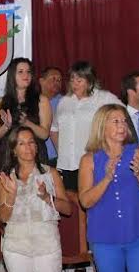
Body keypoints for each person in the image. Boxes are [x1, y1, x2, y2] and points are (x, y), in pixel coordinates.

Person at [78, 104, 139, 272]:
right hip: (105, 238)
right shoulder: (89, 160)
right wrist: (106, 178)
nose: (122, 126)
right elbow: (85, 201)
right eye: (116, 121)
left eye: (124, 121)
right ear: (102, 126)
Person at [0, 127, 71, 272]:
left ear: (37, 147)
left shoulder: (50, 173)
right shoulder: (6, 177)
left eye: (31, 142)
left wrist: (47, 197)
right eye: (22, 143)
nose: (28, 147)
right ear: (14, 150)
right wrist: (11, 196)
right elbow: (2, 217)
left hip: (47, 245)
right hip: (16, 246)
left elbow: (68, 209)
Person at [51, 61, 123, 190]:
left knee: (92, 198)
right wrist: (61, 150)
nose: (75, 83)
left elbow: (124, 118)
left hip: (93, 163)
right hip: (67, 165)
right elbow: (54, 129)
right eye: (72, 79)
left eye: (79, 80)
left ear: (90, 80)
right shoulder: (64, 102)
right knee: (70, 199)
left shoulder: (104, 98)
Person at [0, 58, 52, 166]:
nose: (26, 75)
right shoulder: (1, 102)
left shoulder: (42, 100)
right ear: (12, 75)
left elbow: (45, 134)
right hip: (9, 157)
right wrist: (6, 126)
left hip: (34, 156)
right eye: (20, 72)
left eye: (28, 72)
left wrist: (27, 123)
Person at [39, 67, 63, 167]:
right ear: (41, 81)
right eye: (53, 79)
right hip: (37, 157)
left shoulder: (65, 102)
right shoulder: (33, 102)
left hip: (59, 158)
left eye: (59, 80)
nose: (57, 82)